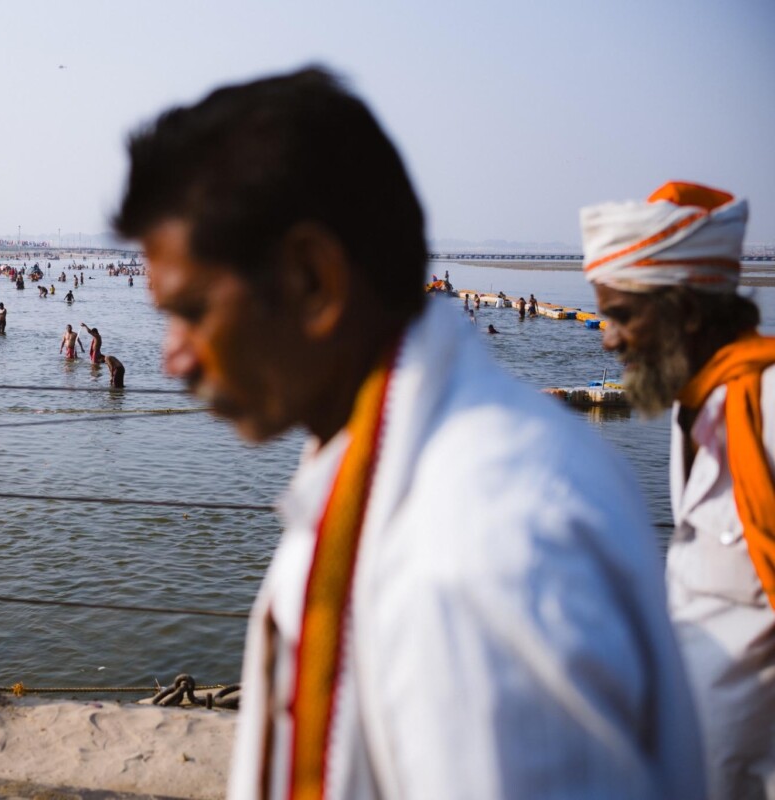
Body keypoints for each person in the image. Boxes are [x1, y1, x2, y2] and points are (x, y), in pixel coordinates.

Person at [114, 67, 702, 799]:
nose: (174, 358)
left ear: (312, 280)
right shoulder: (391, 466)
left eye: (193, 310)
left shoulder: (479, 544)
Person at [584, 180, 775, 799]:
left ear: (685, 313)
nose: (608, 338)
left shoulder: (766, 410)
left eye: (621, 315)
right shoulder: (692, 410)